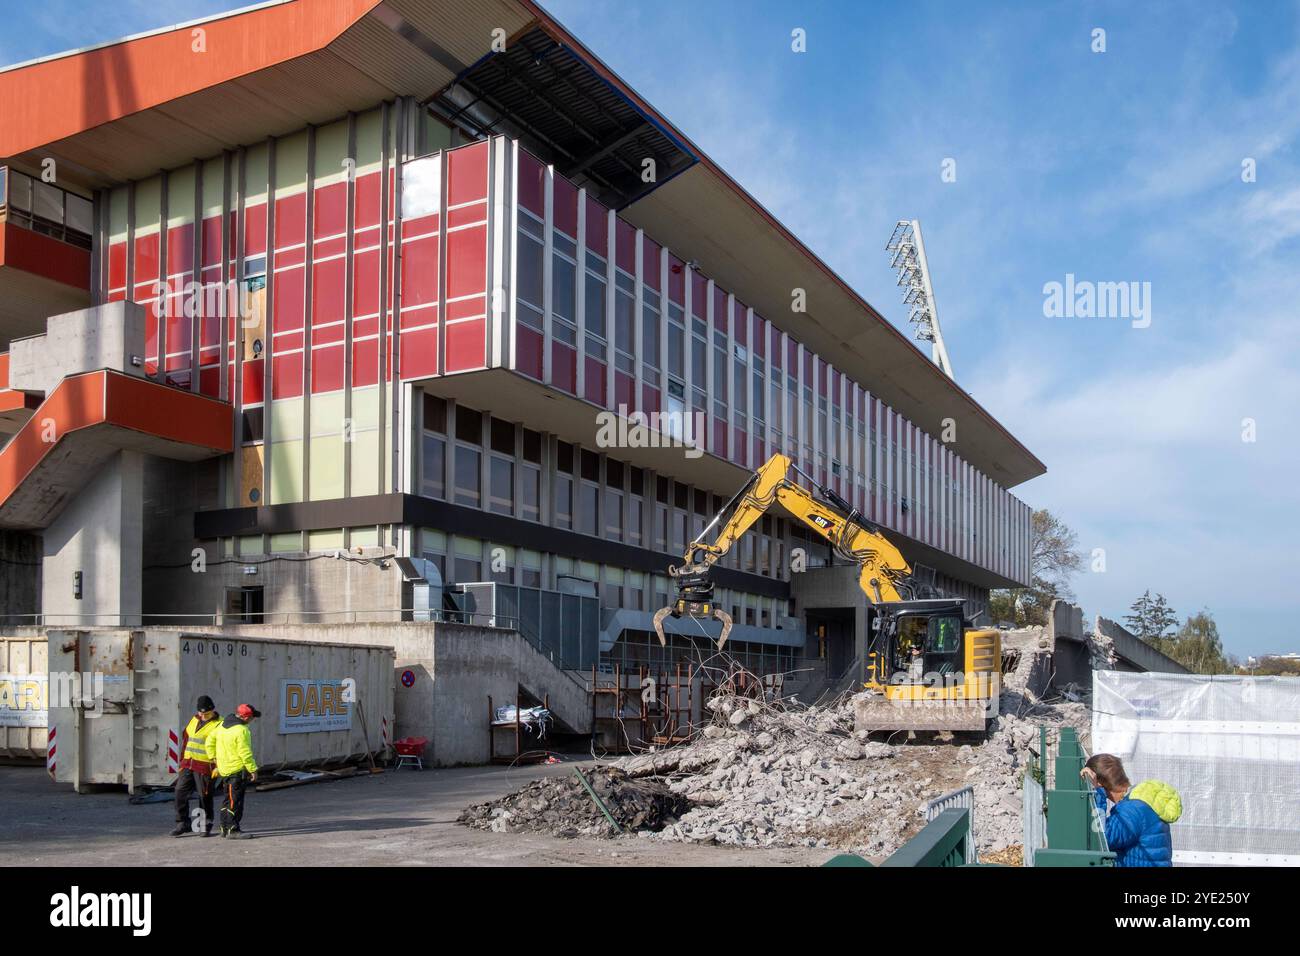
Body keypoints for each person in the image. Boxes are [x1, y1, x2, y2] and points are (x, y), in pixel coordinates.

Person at [1081, 753, 1182, 867]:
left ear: (1099, 783)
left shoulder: (1132, 810)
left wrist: (1098, 795)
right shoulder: (1142, 801)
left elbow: (1102, 838)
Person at [171, 695, 221, 837]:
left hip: (206, 766)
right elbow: (186, 740)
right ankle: (183, 823)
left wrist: (218, 765)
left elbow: (222, 746)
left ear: (213, 710)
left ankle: (205, 825)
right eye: (201, 713)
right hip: (188, 763)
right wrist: (182, 761)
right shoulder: (194, 719)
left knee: (204, 796)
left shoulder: (219, 724)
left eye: (207, 713)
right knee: (179, 792)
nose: (204, 716)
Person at [211, 703, 261, 839]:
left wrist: (214, 758)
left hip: (224, 769)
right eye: (252, 717)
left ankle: (224, 827)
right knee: (236, 801)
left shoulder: (221, 725)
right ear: (245, 718)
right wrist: (253, 769)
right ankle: (233, 829)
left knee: (227, 799)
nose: (253, 720)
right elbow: (245, 753)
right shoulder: (241, 730)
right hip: (236, 770)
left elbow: (209, 741)